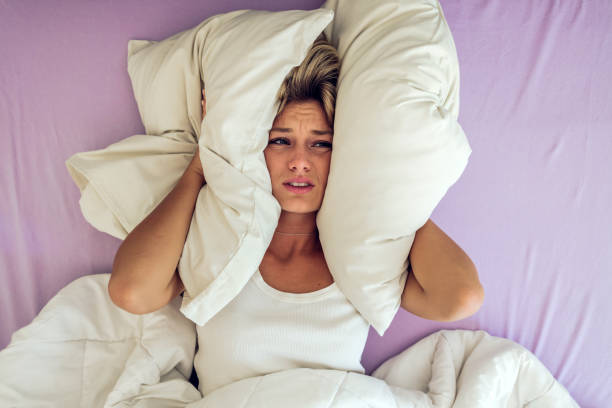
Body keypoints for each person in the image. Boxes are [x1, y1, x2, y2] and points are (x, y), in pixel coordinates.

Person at [108, 32, 483, 393]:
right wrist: (202, 163)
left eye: (320, 144)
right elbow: (131, 291)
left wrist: (385, 193)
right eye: (281, 141)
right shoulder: (214, 239)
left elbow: (460, 297)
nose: (300, 162)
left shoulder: (363, 260)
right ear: (255, 146)